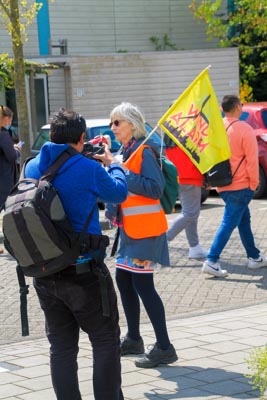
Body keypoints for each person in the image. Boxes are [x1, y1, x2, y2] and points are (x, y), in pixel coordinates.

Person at [24, 108, 127, 400]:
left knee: (62, 347)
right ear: (82, 137)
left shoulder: (31, 167)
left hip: (45, 273)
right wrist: (113, 163)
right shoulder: (88, 168)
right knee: (105, 340)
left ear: (52, 135)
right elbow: (118, 193)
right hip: (84, 273)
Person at [107, 102, 178, 369]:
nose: (113, 127)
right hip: (131, 231)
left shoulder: (145, 150)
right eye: (112, 122)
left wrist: (120, 168)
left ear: (132, 124)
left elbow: (154, 188)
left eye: (117, 123)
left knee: (143, 286)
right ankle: (134, 338)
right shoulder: (126, 151)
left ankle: (164, 347)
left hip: (145, 230)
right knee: (124, 280)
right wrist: (110, 165)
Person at [202, 94, 267, 278]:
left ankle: (254, 257)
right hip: (241, 184)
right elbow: (252, 160)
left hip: (222, 184)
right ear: (238, 107)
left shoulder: (215, 129)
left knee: (243, 219)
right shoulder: (244, 129)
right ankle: (211, 260)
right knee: (230, 222)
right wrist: (254, 184)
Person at [165, 141, 208, 259]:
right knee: (190, 213)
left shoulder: (172, 130)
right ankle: (163, 240)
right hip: (190, 174)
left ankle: (195, 247)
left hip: (177, 174)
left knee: (190, 214)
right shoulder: (189, 130)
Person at [0, 105, 21, 254]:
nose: (10, 121)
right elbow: (12, 156)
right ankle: (13, 244)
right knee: (9, 211)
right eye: (10, 118)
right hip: (4, 179)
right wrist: (16, 150)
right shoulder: (3, 134)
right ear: (5, 118)